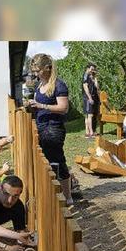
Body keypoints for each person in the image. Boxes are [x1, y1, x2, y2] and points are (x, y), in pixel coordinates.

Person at [24, 53, 72, 205]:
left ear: (47, 68)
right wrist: (31, 106)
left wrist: (41, 105)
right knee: (46, 162)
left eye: (37, 70)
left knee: (57, 161)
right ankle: (52, 193)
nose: (35, 74)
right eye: (34, 71)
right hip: (41, 127)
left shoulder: (59, 85)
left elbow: (64, 108)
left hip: (53, 129)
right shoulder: (40, 85)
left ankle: (67, 197)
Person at [82, 63, 100, 139]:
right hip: (87, 98)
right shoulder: (85, 76)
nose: (93, 70)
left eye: (94, 69)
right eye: (92, 69)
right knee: (90, 115)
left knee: (87, 116)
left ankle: (87, 132)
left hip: (91, 97)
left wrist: (95, 78)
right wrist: (89, 98)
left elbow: (97, 87)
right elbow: (85, 87)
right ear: (88, 68)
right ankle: (91, 132)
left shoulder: (91, 77)